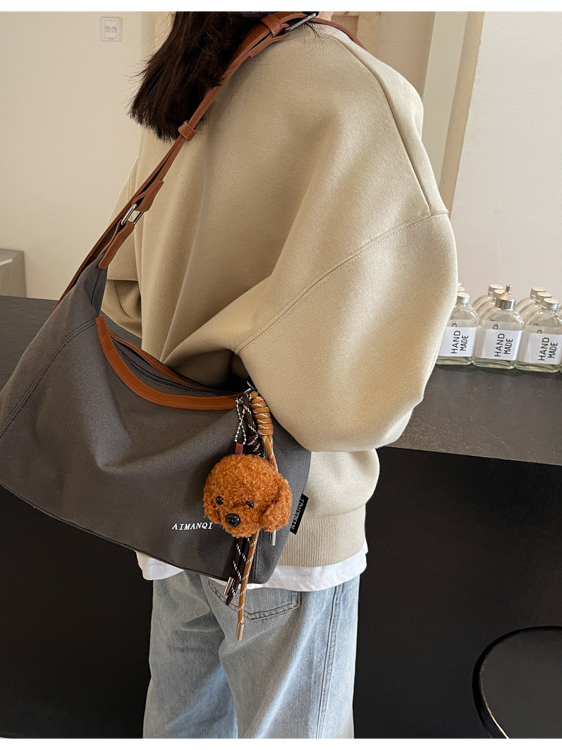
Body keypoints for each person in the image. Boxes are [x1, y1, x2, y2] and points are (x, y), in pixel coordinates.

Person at [101, 11, 458, 739]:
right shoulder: (357, 91)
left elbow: (122, 287)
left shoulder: (188, 81)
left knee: (181, 723)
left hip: (172, 483)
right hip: (286, 507)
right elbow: (352, 396)